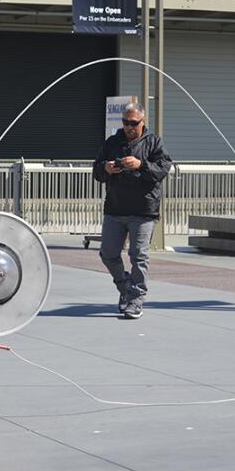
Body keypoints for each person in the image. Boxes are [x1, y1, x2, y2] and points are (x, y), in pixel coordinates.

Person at [93, 101, 174, 320]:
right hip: (116, 208)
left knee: (138, 256)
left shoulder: (154, 142)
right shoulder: (112, 142)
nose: (129, 127)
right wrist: (106, 168)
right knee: (108, 254)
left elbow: (163, 168)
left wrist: (140, 165)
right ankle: (126, 288)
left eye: (133, 123)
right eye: (126, 122)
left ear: (142, 122)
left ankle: (136, 299)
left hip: (143, 209)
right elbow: (96, 170)